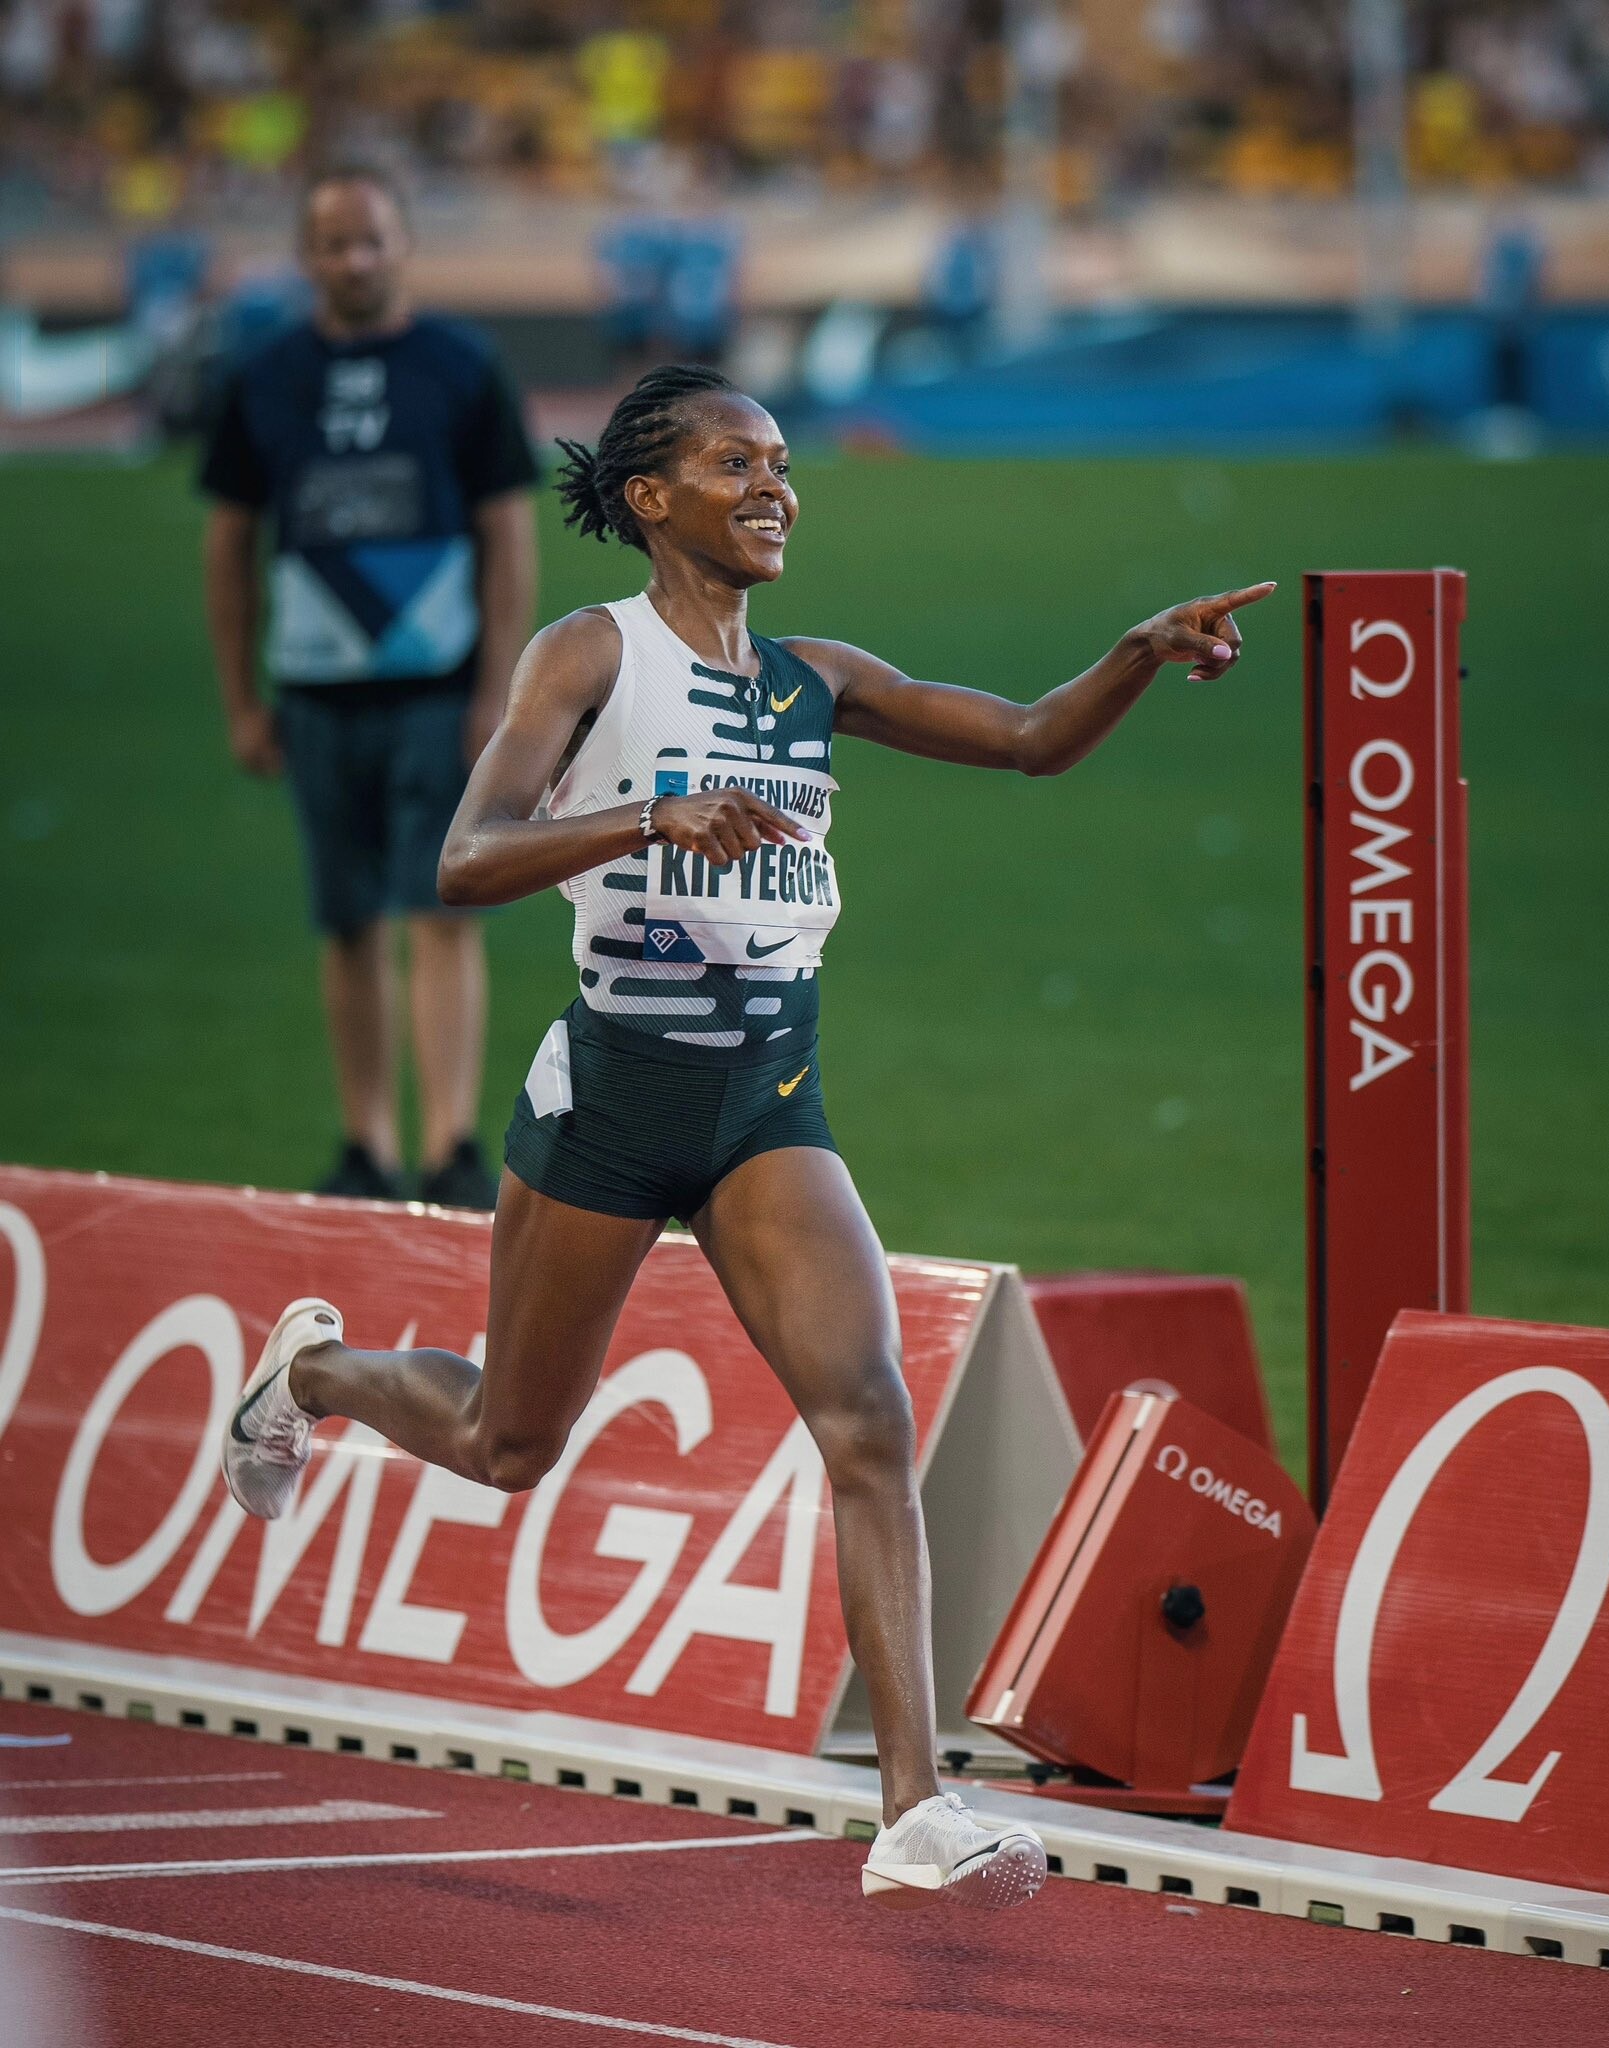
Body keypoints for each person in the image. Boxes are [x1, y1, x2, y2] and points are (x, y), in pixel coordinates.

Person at [221, 363, 1274, 1906]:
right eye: (736, 464)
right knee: (507, 1444)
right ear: (650, 497)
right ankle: (310, 1376)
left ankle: (914, 1809)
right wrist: (648, 818)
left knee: (869, 1420)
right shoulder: (592, 652)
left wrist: (1133, 653)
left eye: (781, 463)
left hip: (767, 1098)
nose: (775, 487)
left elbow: (1028, 739)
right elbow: (466, 859)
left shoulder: (816, 678)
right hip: (612, 1096)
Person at [199, 165, 540, 1208]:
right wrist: (241, 699)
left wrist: (500, 694)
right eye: (334, 243)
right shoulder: (264, 377)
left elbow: (508, 532)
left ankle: (449, 1144)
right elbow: (229, 542)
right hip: (314, 694)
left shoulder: (462, 366)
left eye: (371, 240)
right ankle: (366, 1143)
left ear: (405, 246)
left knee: (441, 908)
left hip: (438, 688)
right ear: (306, 256)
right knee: (345, 921)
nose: (354, 260)